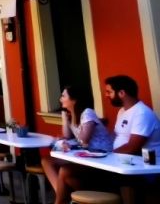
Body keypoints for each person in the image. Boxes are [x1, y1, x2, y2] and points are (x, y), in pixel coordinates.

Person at [52, 75, 160, 204]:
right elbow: (117, 137)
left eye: (109, 92)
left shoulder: (142, 113)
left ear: (121, 93)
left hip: (137, 169)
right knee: (67, 171)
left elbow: (132, 147)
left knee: (72, 173)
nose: (106, 95)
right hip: (115, 164)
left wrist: (105, 155)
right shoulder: (122, 111)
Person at [42, 85, 113, 195]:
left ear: (74, 100)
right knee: (47, 161)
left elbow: (84, 140)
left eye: (63, 96)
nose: (60, 99)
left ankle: (61, 199)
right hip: (86, 155)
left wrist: (68, 144)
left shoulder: (87, 113)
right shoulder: (73, 114)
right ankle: (60, 193)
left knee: (65, 171)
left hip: (101, 156)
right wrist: (65, 118)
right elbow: (67, 135)